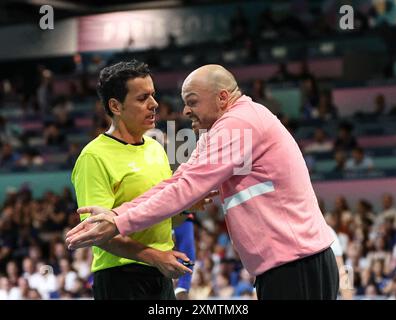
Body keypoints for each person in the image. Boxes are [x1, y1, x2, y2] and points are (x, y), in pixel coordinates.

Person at [66, 64, 339, 300]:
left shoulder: (239, 124)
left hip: (297, 264)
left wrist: (118, 221)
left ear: (222, 98)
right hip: (286, 267)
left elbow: (186, 187)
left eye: (193, 101)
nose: (185, 110)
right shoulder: (221, 129)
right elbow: (182, 180)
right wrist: (116, 215)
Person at [71, 60, 195, 300]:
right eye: (142, 98)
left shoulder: (155, 149)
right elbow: (97, 232)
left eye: (153, 95)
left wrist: (189, 204)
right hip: (121, 277)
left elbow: (161, 213)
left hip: (161, 272)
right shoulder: (93, 156)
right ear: (115, 106)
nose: (154, 104)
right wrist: (154, 256)